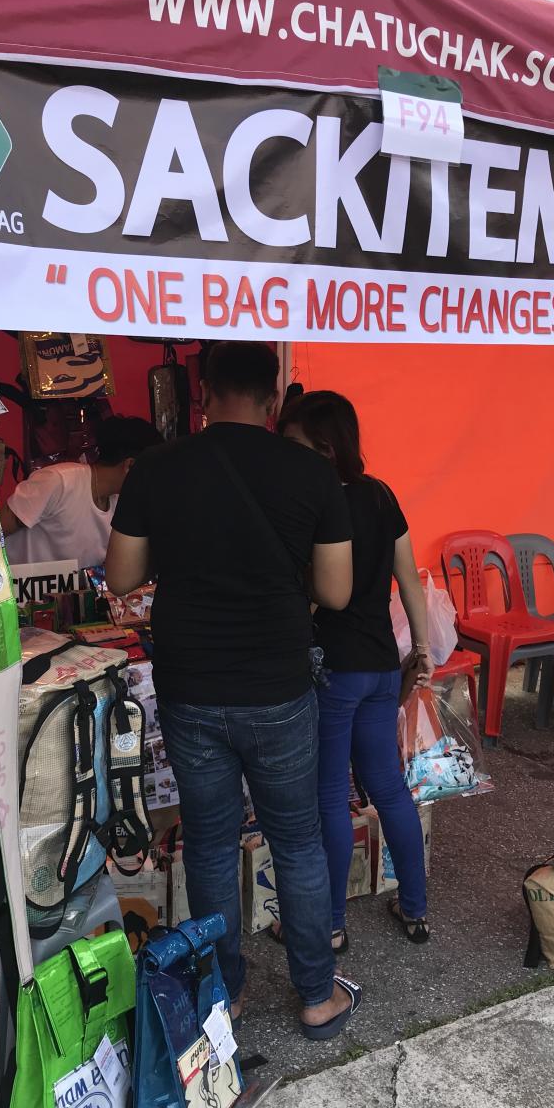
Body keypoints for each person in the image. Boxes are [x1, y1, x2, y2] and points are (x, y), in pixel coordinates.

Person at [105, 342, 362, 1040]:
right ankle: (314, 994)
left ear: (204, 391)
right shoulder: (311, 472)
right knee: (299, 843)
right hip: (279, 685)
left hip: (191, 688)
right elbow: (336, 592)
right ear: (275, 398)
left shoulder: (158, 468)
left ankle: (226, 993)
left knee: (212, 846)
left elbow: (122, 578)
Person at [278, 390, 433, 949]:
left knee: (330, 795)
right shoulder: (381, 495)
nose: (285, 453)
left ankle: (332, 923)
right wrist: (420, 647)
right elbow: (410, 581)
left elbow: (318, 598)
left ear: (322, 446)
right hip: (380, 667)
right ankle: (415, 909)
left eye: (293, 443)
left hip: (334, 670)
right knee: (389, 787)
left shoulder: (313, 502)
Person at [1, 415, 162, 567]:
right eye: (153, 472)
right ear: (130, 466)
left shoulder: (122, 503)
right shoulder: (57, 481)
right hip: (18, 592)